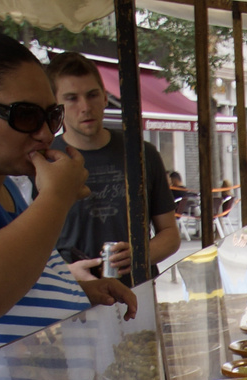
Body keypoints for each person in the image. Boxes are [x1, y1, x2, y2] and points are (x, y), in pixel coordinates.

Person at [0, 33, 136, 353]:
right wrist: (57, 196)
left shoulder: (7, 186)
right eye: (25, 116)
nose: (44, 133)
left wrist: (78, 290)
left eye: (51, 117)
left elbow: (18, 283)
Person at [46, 52, 180, 284]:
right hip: (74, 298)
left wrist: (141, 254)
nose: (85, 107)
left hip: (138, 291)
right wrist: (66, 273)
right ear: (56, 106)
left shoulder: (142, 154)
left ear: (105, 97)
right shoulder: (45, 160)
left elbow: (170, 234)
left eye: (92, 95)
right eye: (72, 98)